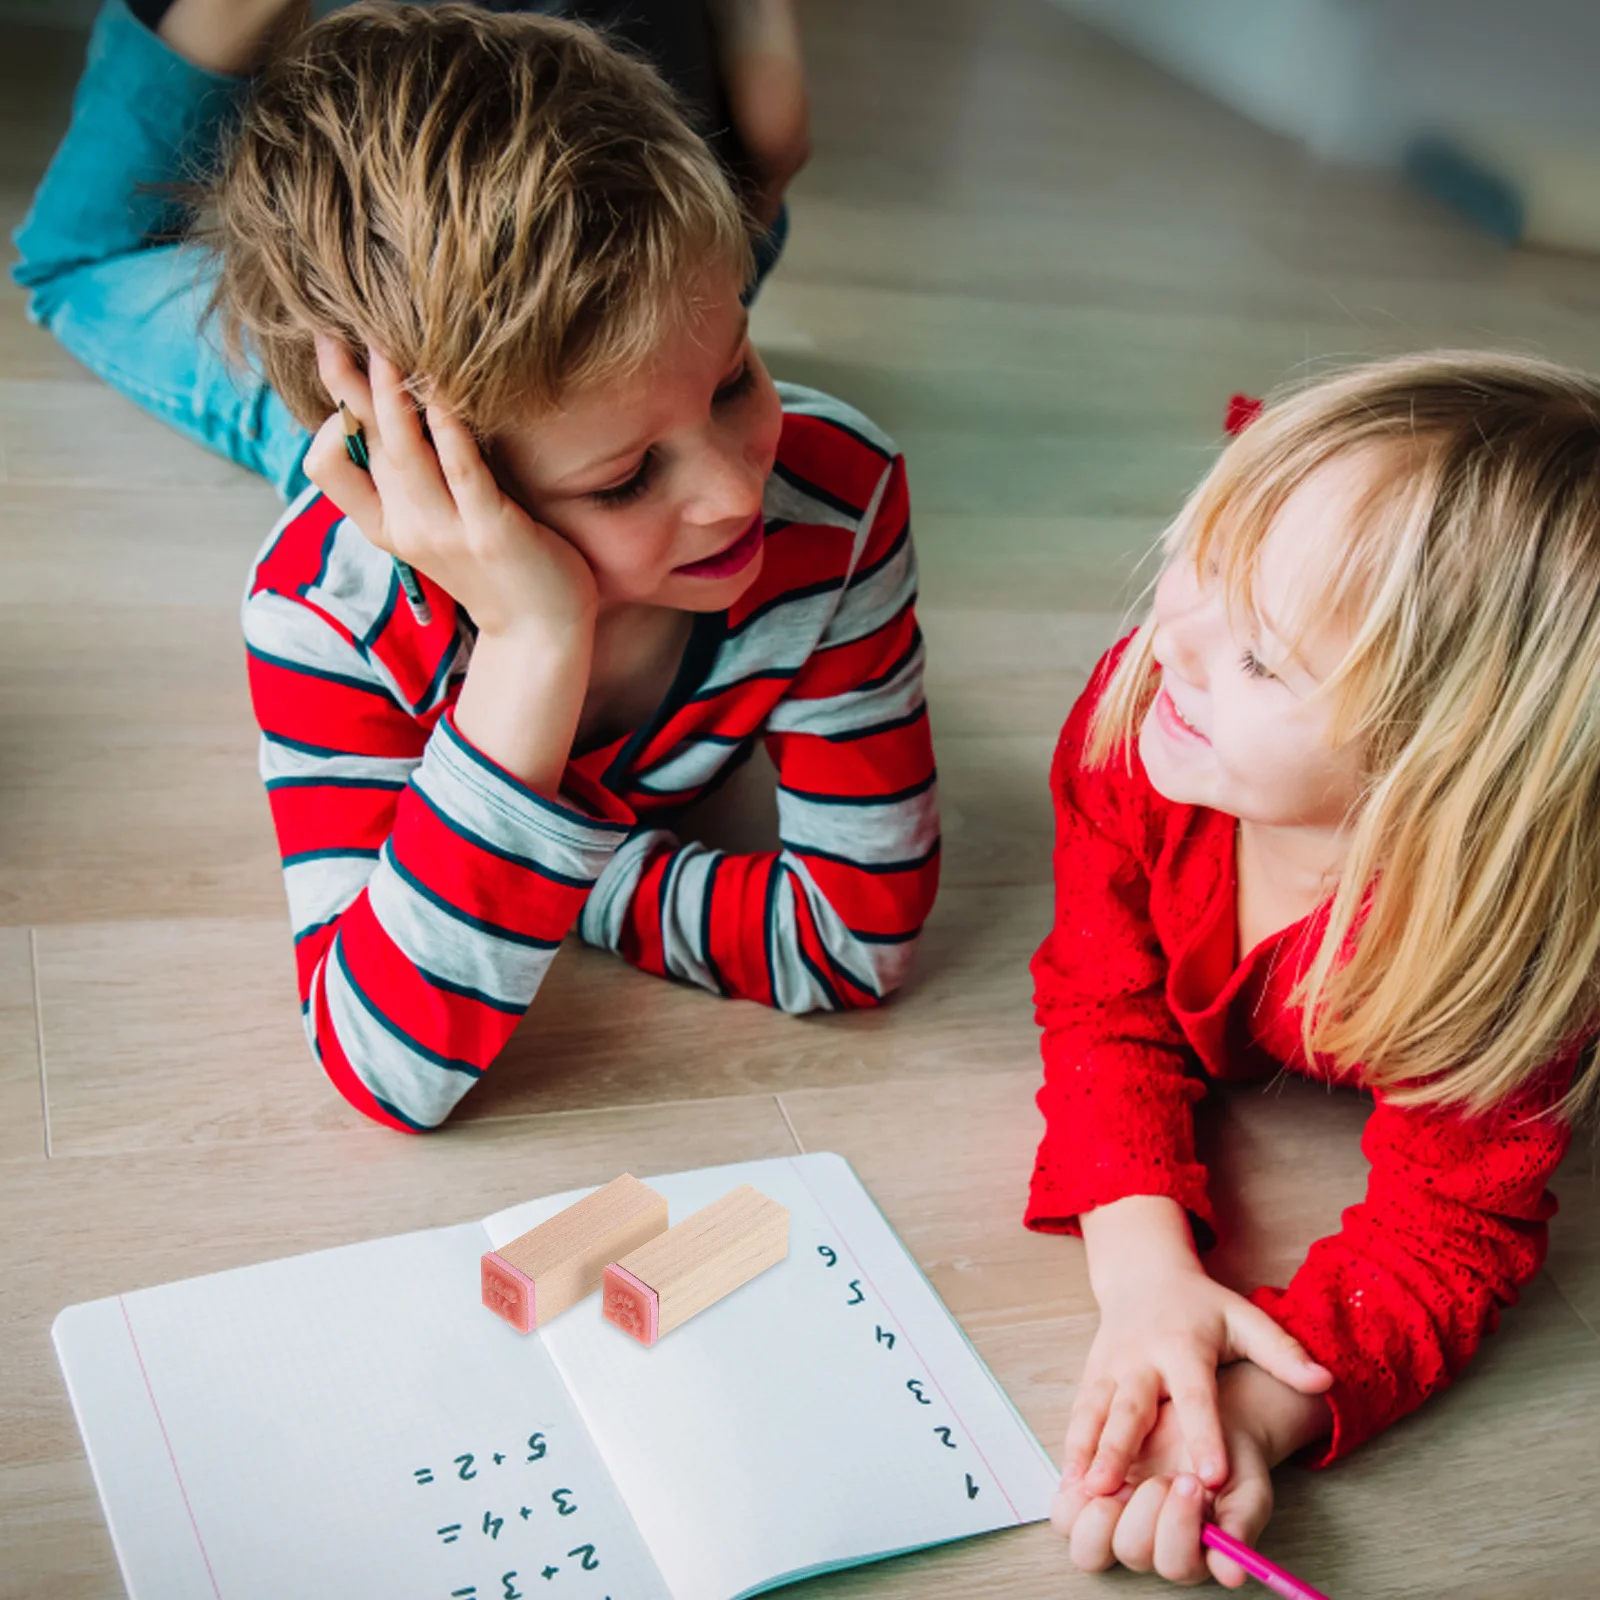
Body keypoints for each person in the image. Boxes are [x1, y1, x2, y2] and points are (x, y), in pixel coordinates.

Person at [13, 2, 938, 1132]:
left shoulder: (835, 497)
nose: (740, 491)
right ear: (447, 497)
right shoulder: (323, 611)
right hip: (362, 439)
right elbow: (388, 1070)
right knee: (146, 313)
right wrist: (532, 647)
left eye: (738, 378)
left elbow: (848, 938)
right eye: (626, 477)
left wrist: (545, 863)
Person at [1033, 353, 1600, 1586]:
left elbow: (1453, 1227)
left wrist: (1262, 1407)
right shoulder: (1146, 720)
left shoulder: (1499, 942)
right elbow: (1100, 1000)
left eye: (1261, 658)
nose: (1167, 638)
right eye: (1203, 557)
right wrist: (1142, 1277)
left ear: (1437, 766)